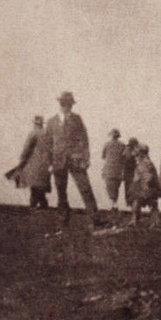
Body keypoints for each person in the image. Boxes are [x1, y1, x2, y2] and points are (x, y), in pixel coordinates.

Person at [46, 92, 101, 227]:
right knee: (61, 192)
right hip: (58, 161)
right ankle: (63, 221)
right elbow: (47, 144)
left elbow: (84, 140)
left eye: (69, 103)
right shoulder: (51, 121)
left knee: (85, 188)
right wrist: (49, 163)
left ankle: (95, 220)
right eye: (64, 103)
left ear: (71, 104)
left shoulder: (77, 119)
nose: (66, 105)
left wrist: (86, 158)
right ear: (60, 104)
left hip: (76, 160)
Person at [7, 115, 52, 209]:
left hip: (34, 162)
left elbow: (27, 148)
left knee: (33, 184)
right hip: (45, 163)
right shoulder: (48, 133)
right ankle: (41, 204)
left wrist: (22, 159)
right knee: (39, 184)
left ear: (35, 123)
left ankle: (34, 205)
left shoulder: (33, 133)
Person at [127, 142, 161, 228]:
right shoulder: (142, 162)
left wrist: (146, 186)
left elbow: (148, 176)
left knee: (152, 204)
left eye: (137, 154)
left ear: (142, 153)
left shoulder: (145, 162)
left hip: (147, 187)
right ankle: (135, 220)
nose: (135, 156)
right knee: (136, 203)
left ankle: (155, 222)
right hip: (141, 186)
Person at [101, 129, 127, 214]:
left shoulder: (107, 144)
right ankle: (115, 204)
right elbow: (124, 158)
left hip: (109, 169)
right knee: (116, 187)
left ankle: (112, 205)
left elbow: (103, 156)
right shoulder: (123, 145)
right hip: (119, 170)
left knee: (109, 187)